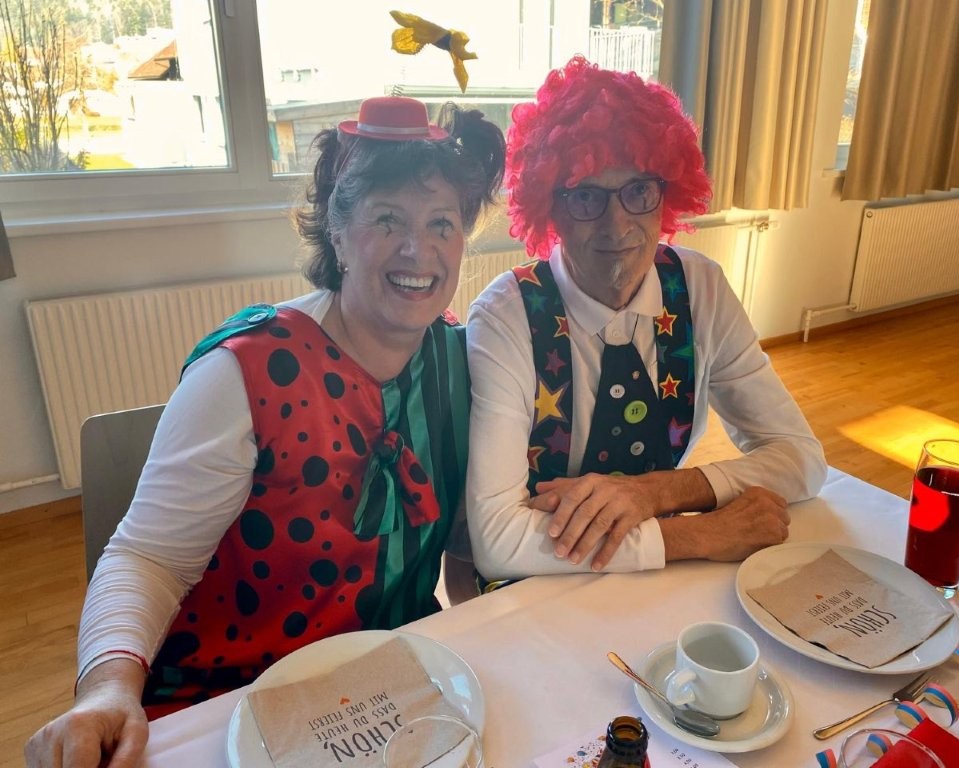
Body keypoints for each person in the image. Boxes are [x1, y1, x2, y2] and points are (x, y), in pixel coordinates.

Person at [25, 96, 505, 767]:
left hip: (392, 692)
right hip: (224, 705)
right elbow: (147, 557)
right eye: (387, 218)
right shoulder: (247, 371)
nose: (416, 249)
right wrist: (107, 689)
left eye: (441, 224)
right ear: (337, 230)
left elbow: (466, 539)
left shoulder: (461, 364)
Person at [465, 57, 826, 582]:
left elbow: (801, 458)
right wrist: (701, 535)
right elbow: (498, 542)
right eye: (586, 196)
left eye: (638, 191)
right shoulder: (507, 316)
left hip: (656, 580)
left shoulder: (700, 288)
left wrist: (656, 492)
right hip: (540, 588)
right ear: (551, 208)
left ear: (666, 194)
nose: (617, 226)